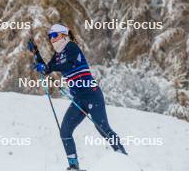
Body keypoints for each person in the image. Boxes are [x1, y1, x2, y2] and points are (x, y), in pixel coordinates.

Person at [28, 24, 127, 170]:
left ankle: (124, 160)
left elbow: (69, 65)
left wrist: (49, 68)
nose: (52, 40)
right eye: (50, 37)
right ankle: (74, 166)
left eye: (54, 36)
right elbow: (47, 69)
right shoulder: (58, 55)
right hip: (78, 99)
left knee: (102, 128)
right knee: (65, 131)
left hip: (92, 95)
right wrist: (36, 53)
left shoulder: (71, 47)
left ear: (64, 35)